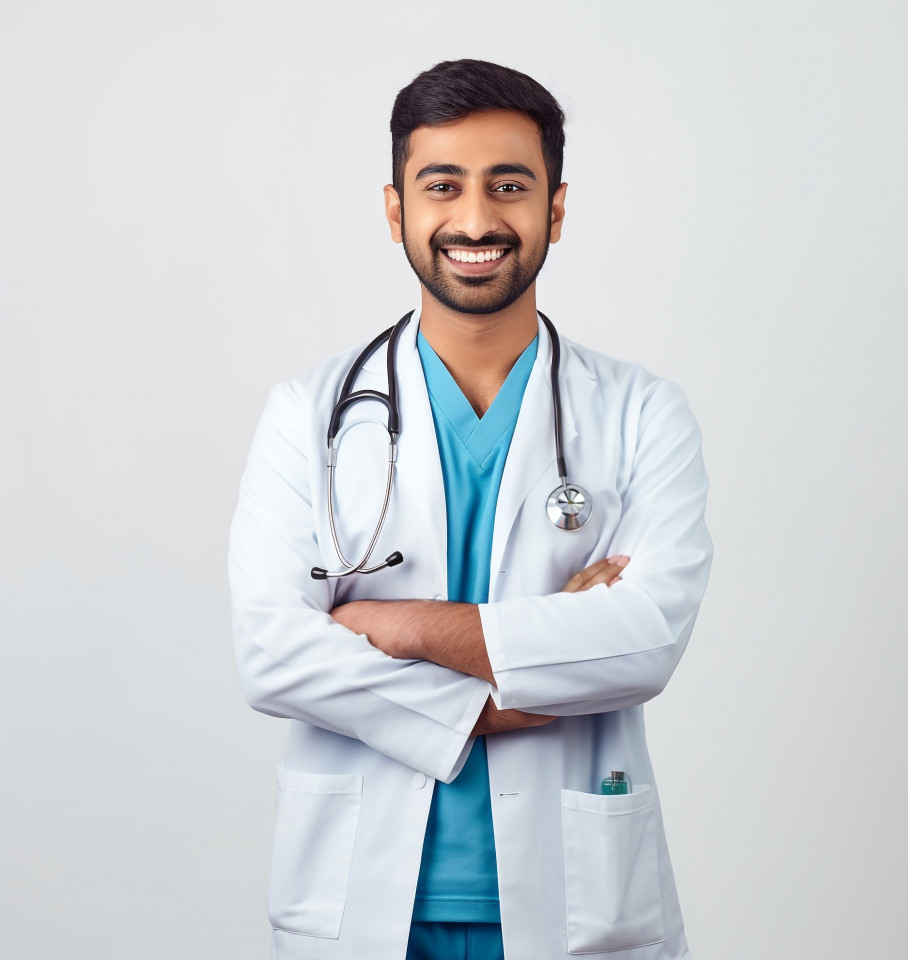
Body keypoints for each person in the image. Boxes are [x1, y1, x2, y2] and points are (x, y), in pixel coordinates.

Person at [229, 59, 712, 960]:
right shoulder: (306, 413)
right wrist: (527, 676)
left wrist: (393, 624)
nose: (477, 219)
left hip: (578, 903)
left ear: (555, 210)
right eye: (442, 185)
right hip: (362, 900)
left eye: (510, 186)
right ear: (395, 208)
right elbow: (271, 655)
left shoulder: (642, 412)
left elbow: (643, 639)